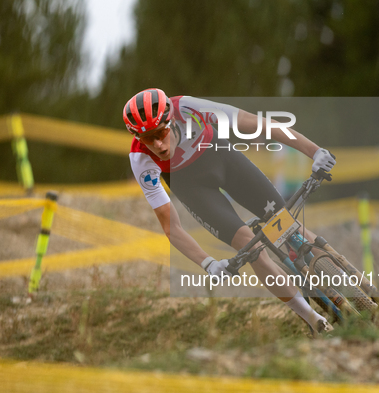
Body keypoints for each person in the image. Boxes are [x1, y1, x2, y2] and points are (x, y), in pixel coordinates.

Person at [123, 88, 336, 335]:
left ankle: (350, 285)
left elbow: (256, 123)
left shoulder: (188, 108)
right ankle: (312, 319)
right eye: (149, 138)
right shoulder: (141, 160)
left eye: (161, 132)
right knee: (251, 248)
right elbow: (171, 226)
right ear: (139, 138)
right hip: (194, 189)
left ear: (170, 119)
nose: (158, 144)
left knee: (286, 224)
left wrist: (314, 151)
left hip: (222, 159)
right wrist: (207, 263)